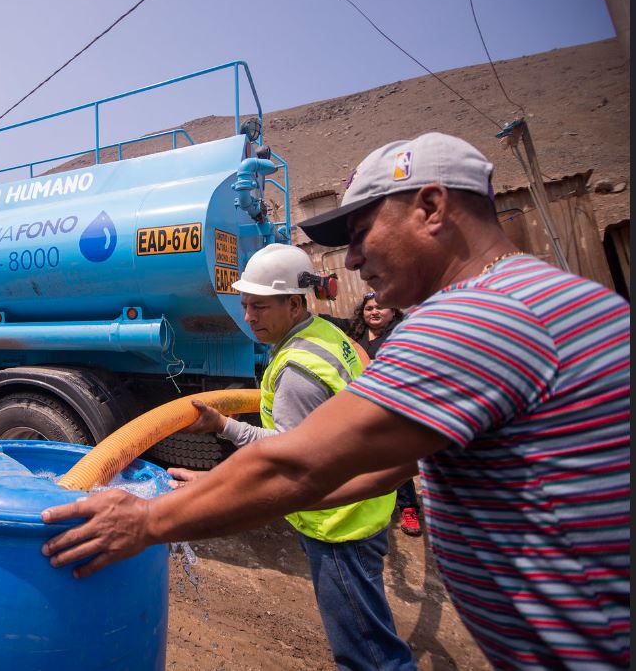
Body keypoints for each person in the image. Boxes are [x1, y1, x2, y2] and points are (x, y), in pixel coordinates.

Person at [41, 133, 630, 669]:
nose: (349, 261)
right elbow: (389, 462)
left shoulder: (474, 320)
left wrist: (147, 520)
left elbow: (298, 463)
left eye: (360, 233)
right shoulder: (539, 296)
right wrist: (241, 488)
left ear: (430, 208)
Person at [170, 243, 415, 671]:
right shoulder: (327, 335)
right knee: (370, 633)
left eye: (261, 307)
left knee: (369, 655)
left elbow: (287, 454)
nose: (249, 318)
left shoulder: (297, 370)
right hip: (362, 510)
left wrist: (225, 434)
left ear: (295, 303)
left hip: (338, 524)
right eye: (245, 305)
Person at [323, 293, 423, 537]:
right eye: (369, 308)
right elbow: (330, 321)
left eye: (381, 307)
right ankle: (367, 501)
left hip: (391, 406)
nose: (374, 312)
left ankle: (409, 508)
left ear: (393, 311)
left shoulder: (402, 335)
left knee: (392, 459)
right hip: (361, 405)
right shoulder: (358, 332)